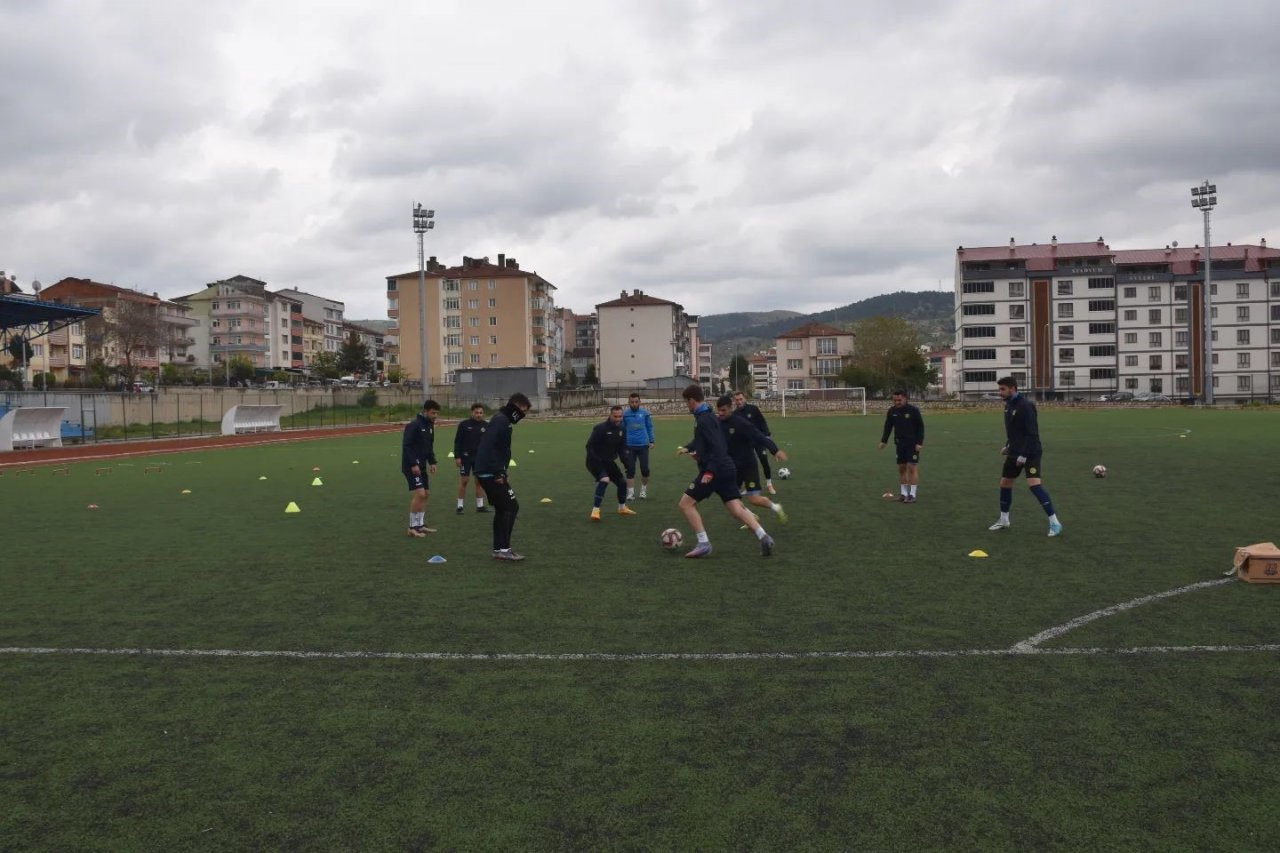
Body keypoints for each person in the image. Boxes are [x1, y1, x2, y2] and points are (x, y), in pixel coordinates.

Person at [676, 384, 775, 558]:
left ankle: (704, 543)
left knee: (685, 504)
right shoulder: (710, 416)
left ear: (692, 400)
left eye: (687, 402)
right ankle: (763, 536)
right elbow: (705, 440)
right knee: (736, 508)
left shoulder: (704, 419)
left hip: (716, 470)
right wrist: (688, 447)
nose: (687, 406)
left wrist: (709, 472)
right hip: (727, 468)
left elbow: (718, 446)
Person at [989, 376, 1063, 536]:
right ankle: (1004, 519)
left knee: (1034, 485)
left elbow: (1032, 434)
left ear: (1013, 389)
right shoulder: (1008, 405)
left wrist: (1023, 455)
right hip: (1015, 451)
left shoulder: (1026, 406)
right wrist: (1008, 446)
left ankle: (1055, 522)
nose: (1000, 392)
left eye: (1003, 389)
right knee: (1005, 484)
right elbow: (1014, 432)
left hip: (1031, 452)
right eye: (999, 389)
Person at [474, 392, 532, 561]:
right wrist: (498, 472)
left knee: (502, 509)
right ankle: (504, 549)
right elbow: (489, 446)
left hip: (490, 471)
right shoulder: (500, 421)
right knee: (511, 507)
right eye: (523, 410)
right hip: (490, 472)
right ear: (515, 406)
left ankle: (499, 549)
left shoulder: (503, 420)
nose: (523, 415)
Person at [715, 395, 788, 525]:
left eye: (723, 410)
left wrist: (775, 450)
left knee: (754, 499)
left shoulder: (740, 423)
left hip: (748, 465)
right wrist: (691, 448)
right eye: (718, 410)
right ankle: (751, 518)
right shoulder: (718, 423)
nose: (720, 413)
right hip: (732, 467)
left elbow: (759, 436)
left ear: (730, 408)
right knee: (730, 499)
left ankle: (777, 507)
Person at [586, 406, 639, 521]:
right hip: (594, 461)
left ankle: (622, 508)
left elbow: (622, 449)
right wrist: (597, 459)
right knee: (604, 479)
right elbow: (589, 446)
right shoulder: (600, 428)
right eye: (615, 416)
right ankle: (595, 510)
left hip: (608, 461)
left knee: (622, 482)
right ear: (610, 415)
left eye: (620, 417)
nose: (618, 419)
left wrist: (627, 464)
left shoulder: (622, 429)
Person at [401, 399, 440, 537]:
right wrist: (413, 464)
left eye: (436, 413)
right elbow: (407, 446)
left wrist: (433, 462)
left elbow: (429, 447)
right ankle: (412, 527)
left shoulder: (429, 426)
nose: (435, 416)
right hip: (411, 466)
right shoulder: (414, 425)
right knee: (420, 494)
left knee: (426, 494)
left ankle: (420, 525)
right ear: (425, 411)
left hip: (422, 466)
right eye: (433, 413)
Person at [878, 389, 925, 503]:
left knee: (912, 468)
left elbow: (920, 427)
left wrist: (919, 443)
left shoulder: (913, 411)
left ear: (905, 398)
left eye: (899, 400)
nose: (897, 402)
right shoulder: (892, 411)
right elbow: (888, 426)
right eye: (895, 400)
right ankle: (904, 494)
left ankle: (912, 495)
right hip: (899, 443)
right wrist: (884, 441)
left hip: (913, 444)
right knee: (902, 468)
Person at [733, 391, 776, 494]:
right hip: (746, 444)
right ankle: (748, 487)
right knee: (745, 465)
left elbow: (762, 422)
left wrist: (767, 435)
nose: (739, 402)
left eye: (741, 399)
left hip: (758, 440)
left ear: (745, 399)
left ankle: (769, 484)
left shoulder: (753, 409)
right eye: (737, 400)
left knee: (763, 460)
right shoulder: (735, 414)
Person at [453, 403, 490, 514]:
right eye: (476, 412)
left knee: (479, 482)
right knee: (464, 481)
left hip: (480, 458)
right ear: (472, 412)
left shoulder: (486, 425)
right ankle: (460, 506)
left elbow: (488, 443)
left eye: (481, 413)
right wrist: (457, 457)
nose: (479, 415)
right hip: (465, 457)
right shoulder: (464, 425)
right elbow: (457, 442)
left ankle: (480, 506)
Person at [622, 392, 655, 500]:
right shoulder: (625, 414)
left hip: (643, 445)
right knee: (630, 470)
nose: (634, 404)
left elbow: (650, 427)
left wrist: (652, 441)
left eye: (636, 402)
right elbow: (622, 429)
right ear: (628, 402)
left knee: (645, 469)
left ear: (640, 402)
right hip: (629, 446)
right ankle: (630, 494)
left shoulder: (645, 413)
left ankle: (643, 491)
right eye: (632, 402)